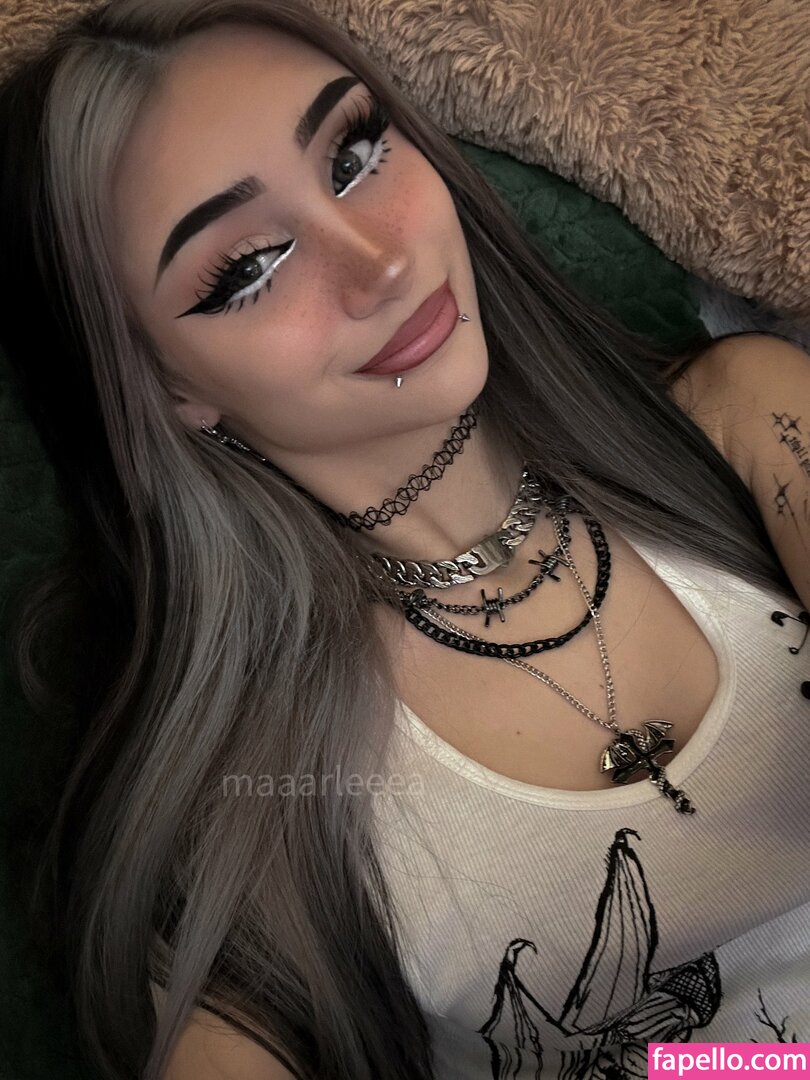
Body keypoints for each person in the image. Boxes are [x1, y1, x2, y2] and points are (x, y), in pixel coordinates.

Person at [1, 1, 809, 1077]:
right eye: (249, 267)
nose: (379, 262)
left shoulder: (742, 417)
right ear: (162, 385)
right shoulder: (238, 831)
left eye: (355, 155)